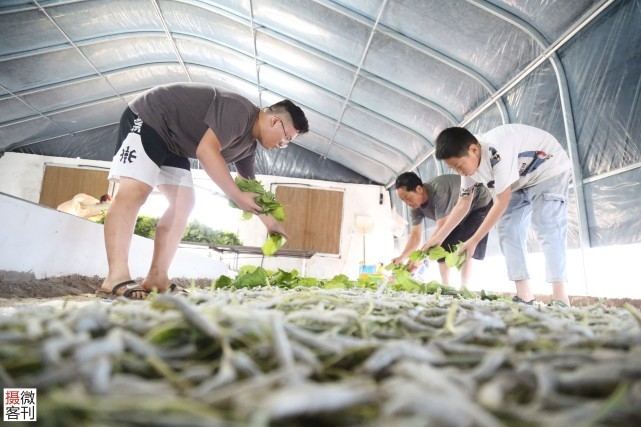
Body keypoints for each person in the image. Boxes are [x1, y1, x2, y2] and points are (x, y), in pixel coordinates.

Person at [97, 82, 309, 299]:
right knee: (135, 192)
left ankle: (157, 277)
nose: (282, 145)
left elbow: (249, 190)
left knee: (184, 203)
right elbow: (206, 152)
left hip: (173, 143)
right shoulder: (240, 111)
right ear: (275, 120)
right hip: (149, 117)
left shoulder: (248, 148)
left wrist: (271, 224)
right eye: (286, 140)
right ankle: (115, 277)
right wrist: (236, 195)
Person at [423, 124, 572, 307]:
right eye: (453, 168)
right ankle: (524, 295)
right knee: (508, 230)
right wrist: (438, 238)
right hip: (518, 179)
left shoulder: (496, 152)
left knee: (547, 224)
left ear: (474, 149)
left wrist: (474, 240)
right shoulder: (468, 166)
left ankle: (560, 297)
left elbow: (501, 203)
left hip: (547, 168)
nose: (458, 171)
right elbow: (463, 203)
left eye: (459, 165)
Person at [392, 172, 492, 290]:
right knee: (440, 247)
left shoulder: (438, 190)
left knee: (465, 245)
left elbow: (442, 227)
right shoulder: (415, 207)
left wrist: (419, 258)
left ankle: (464, 288)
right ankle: (446, 285)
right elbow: (415, 236)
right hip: (457, 213)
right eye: (403, 201)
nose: (407, 203)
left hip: (478, 203)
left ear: (419, 189)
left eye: (408, 198)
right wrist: (403, 257)